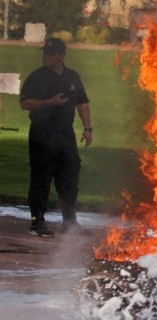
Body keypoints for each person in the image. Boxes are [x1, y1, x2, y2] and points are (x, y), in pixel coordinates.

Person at [20, 38, 93, 238]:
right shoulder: (36, 77)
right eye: (45, 53)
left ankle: (69, 222)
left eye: (51, 53)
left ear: (61, 56)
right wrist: (50, 102)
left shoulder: (72, 76)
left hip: (65, 133)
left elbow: (82, 102)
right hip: (42, 133)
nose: (46, 56)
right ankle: (37, 222)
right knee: (41, 178)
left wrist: (87, 128)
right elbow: (25, 103)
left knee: (69, 176)